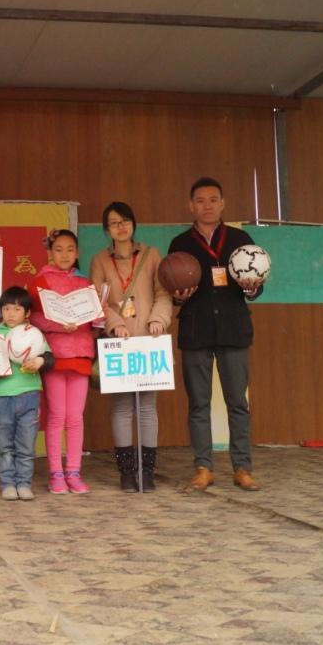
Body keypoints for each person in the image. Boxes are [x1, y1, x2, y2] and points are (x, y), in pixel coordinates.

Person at [169, 177, 264, 492]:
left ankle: (243, 468)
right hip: (196, 330)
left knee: (238, 403)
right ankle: (203, 468)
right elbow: (172, 289)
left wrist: (252, 288)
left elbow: (256, 283)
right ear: (191, 205)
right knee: (199, 404)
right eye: (200, 200)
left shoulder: (241, 239)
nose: (207, 206)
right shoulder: (180, 244)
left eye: (213, 200)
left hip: (234, 330)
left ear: (223, 204)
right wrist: (178, 297)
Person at [89, 202, 172, 492]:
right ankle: (126, 472)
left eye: (125, 221)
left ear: (134, 224)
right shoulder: (100, 261)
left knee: (147, 406)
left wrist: (158, 319)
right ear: (106, 229)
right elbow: (97, 300)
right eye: (114, 223)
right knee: (122, 407)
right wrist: (114, 324)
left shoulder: (152, 255)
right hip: (118, 342)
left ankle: (147, 471)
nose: (121, 227)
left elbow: (164, 293)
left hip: (148, 340)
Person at [29, 229, 96, 495]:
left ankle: (74, 472)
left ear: (77, 253)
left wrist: (98, 318)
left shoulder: (86, 283)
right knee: (57, 416)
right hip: (54, 355)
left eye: (70, 249)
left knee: (75, 417)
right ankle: (56, 473)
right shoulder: (40, 281)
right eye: (58, 250)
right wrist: (58, 324)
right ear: (50, 252)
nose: (65, 255)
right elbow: (33, 317)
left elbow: (94, 317)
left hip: (80, 354)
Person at [0, 286, 53, 501]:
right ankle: (8, 484)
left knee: (26, 444)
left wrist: (40, 360)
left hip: (29, 395)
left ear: (27, 313)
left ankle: (24, 483)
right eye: (6, 309)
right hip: (1, 396)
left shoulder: (34, 334)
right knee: (5, 445)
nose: (11, 314)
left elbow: (50, 358)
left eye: (17, 309)